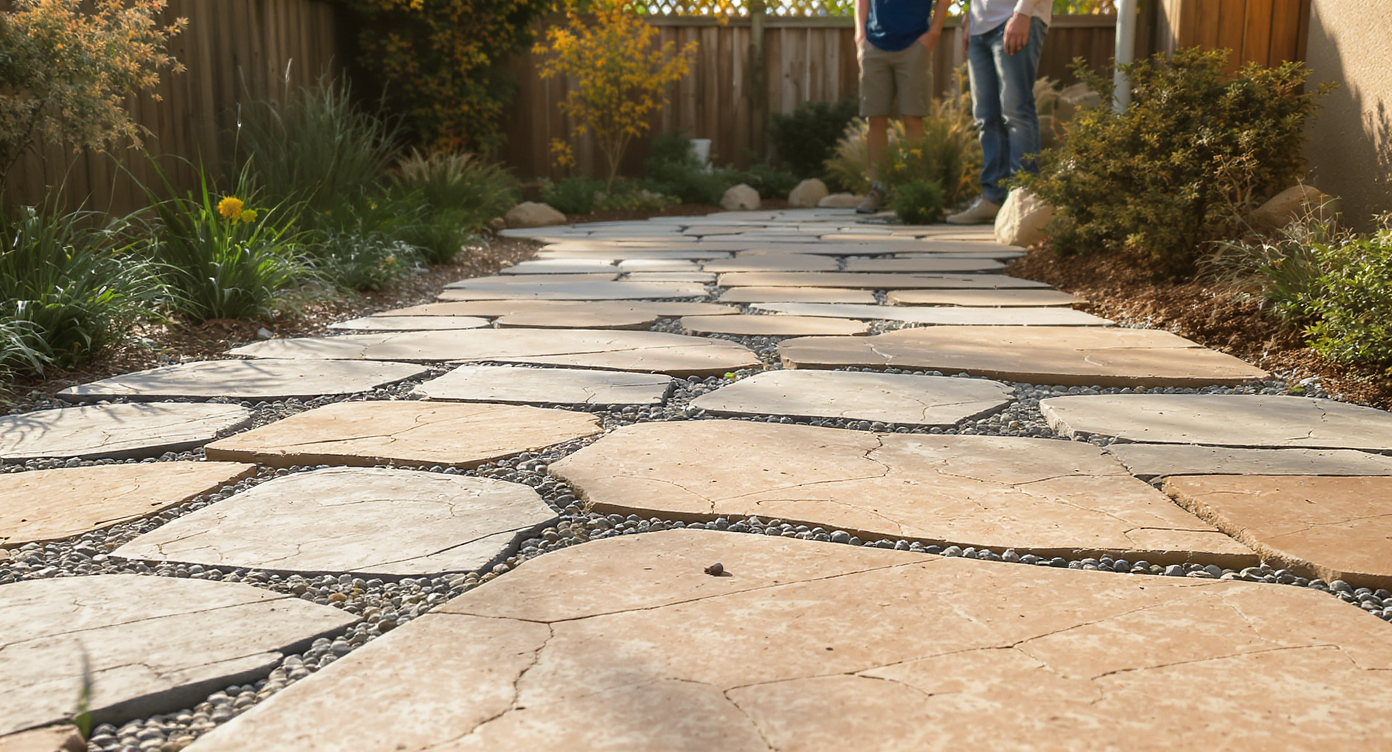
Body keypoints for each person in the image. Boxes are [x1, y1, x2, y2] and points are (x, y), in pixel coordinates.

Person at [946, 0, 1050, 224]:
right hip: (979, 27)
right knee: (986, 118)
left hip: (1016, 18)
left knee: (1016, 113)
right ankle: (993, 198)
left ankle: (1024, 199)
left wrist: (1023, 13)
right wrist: (970, 18)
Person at [854, 0, 950, 214]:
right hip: (874, 45)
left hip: (914, 45)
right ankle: (879, 188)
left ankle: (912, 188)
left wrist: (933, 33)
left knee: (913, 118)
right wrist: (860, 36)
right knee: (875, 118)